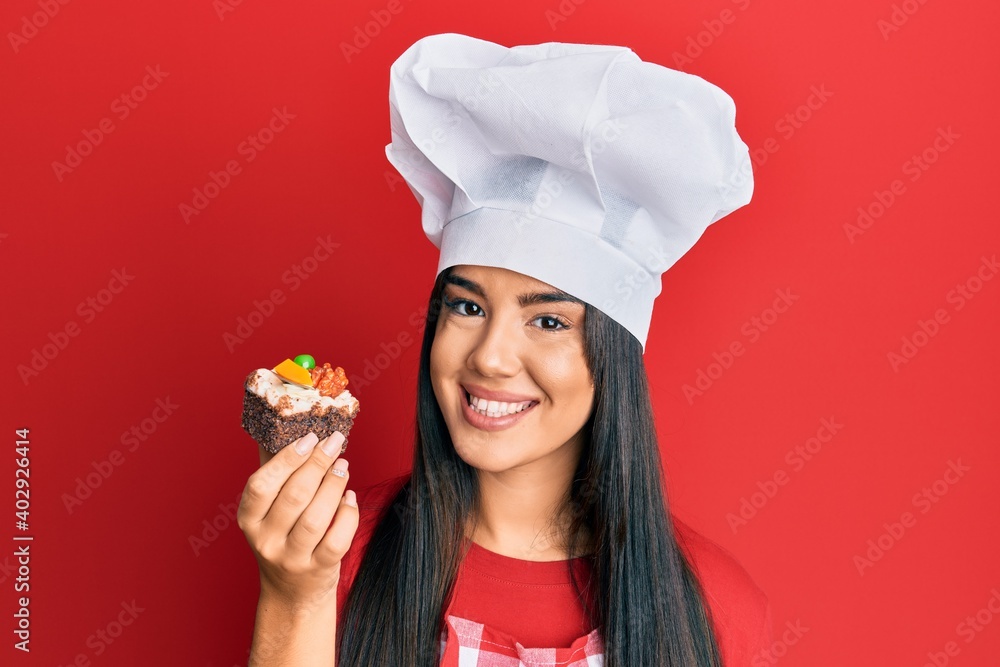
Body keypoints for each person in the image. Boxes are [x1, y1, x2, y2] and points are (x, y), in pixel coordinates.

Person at [239, 33, 771, 666]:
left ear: (614, 355)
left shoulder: (712, 608)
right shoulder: (337, 553)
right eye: (466, 307)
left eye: (547, 321)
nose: (489, 357)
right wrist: (292, 598)